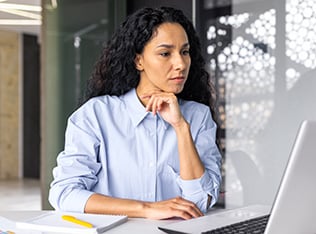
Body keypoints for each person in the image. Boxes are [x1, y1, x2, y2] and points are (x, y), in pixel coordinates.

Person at [48, 6, 222, 220]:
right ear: (138, 60)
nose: (180, 63)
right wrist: (146, 209)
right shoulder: (95, 115)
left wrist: (180, 127)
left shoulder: (198, 116)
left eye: (184, 52)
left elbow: (199, 202)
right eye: (165, 53)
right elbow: (64, 194)